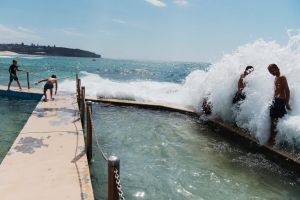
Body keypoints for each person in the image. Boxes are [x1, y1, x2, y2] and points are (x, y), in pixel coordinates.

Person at [267, 64, 291, 145]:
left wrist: (287, 103)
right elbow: (276, 91)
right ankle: (280, 141)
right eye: (270, 72)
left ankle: (272, 140)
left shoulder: (282, 77)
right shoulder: (276, 78)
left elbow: (287, 90)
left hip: (279, 101)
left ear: (277, 68)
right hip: (276, 101)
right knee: (277, 121)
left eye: (272, 70)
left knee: (273, 121)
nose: (271, 73)